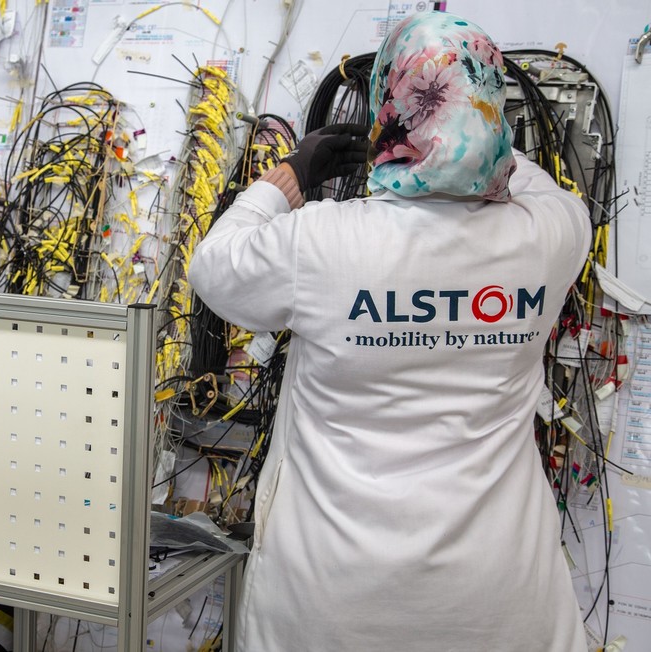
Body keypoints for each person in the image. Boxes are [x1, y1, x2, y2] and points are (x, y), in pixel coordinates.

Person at [189, 12, 589, 651]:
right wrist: (473, 134)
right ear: (493, 111)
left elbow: (212, 267)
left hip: (331, 602)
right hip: (501, 604)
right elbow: (537, 184)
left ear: (389, 110)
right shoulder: (548, 238)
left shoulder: (321, 240)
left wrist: (288, 176)